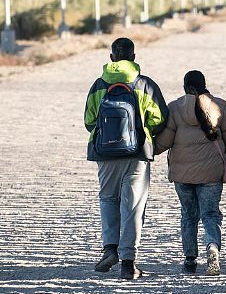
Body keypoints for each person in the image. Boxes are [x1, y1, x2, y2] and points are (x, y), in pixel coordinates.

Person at [84, 37, 168, 279]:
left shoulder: (98, 85)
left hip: (104, 154)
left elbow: (89, 120)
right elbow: (160, 118)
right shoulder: (144, 84)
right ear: (133, 57)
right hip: (137, 154)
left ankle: (109, 249)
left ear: (111, 58)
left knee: (108, 200)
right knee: (132, 206)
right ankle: (128, 263)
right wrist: (142, 134)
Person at [155, 70, 226, 276]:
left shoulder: (174, 108)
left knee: (188, 216)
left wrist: (144, 151)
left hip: (182, 174)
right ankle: (213, 247)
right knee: (210, 214)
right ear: (204, 84)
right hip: (211, 173)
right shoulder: (220, 107)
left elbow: (163, 142)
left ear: (187, 88)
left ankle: (190, 260)